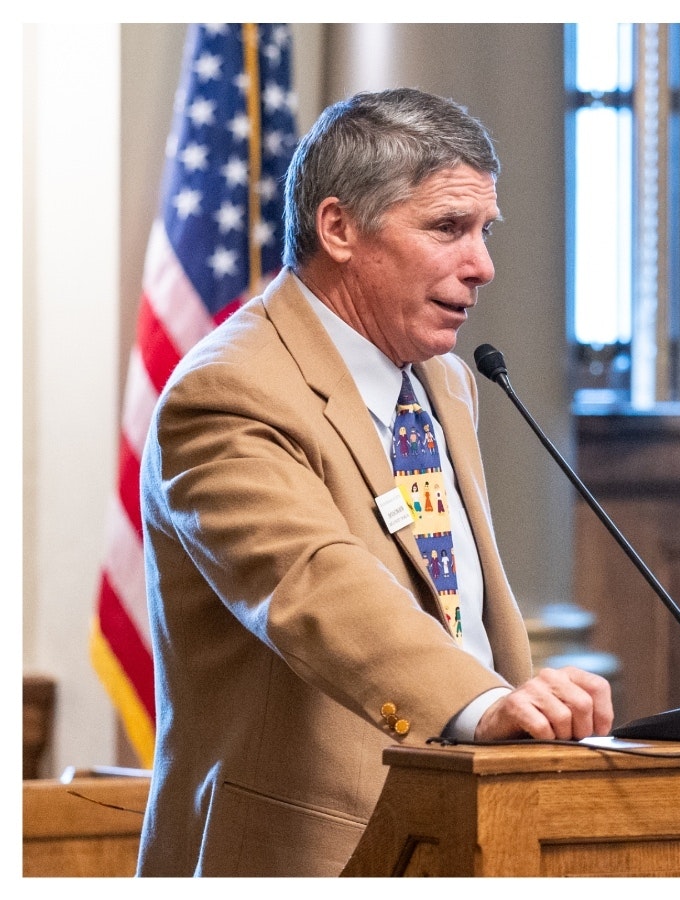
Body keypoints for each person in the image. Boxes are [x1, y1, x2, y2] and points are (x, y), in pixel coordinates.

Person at [137, 88, 614, 877]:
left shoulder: (446, 382)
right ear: (338, 229)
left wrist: (522, 715)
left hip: (470, 833)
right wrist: (482, 704)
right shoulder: (227, 391)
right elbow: (313, 581)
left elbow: (450, 602)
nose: (483, 265)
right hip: (306, 856)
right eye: (447, 228)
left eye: (485, 230)